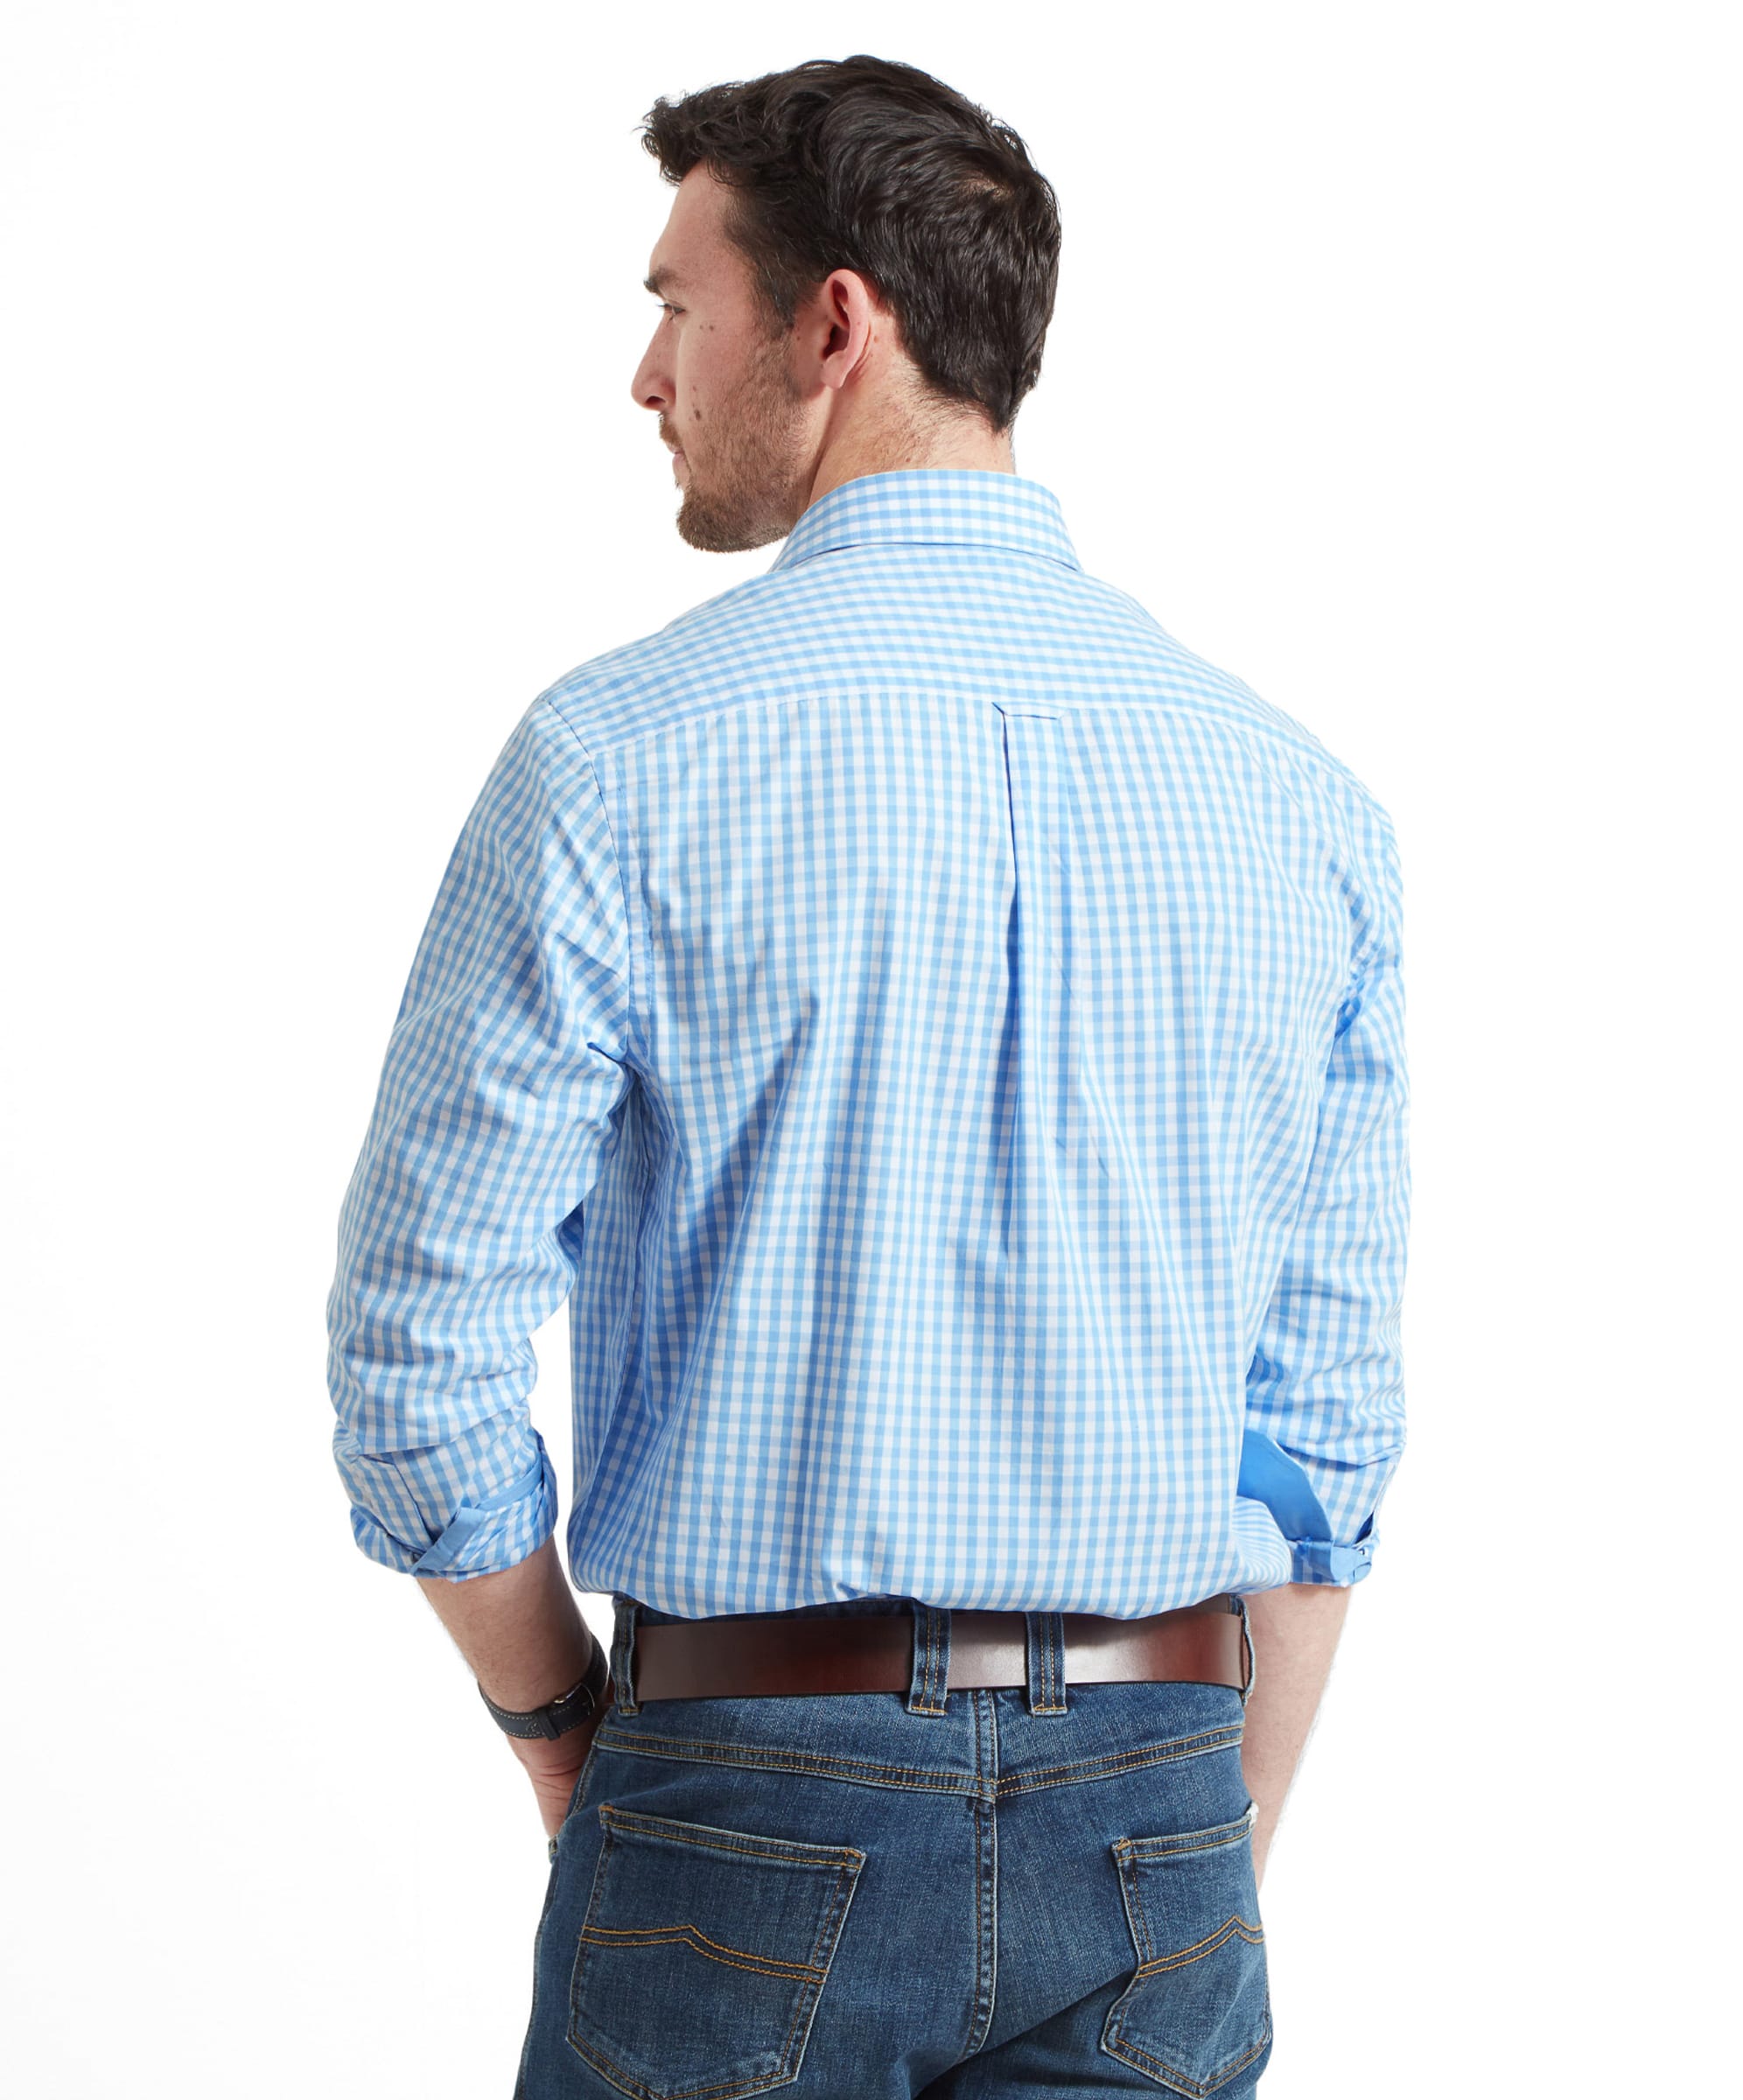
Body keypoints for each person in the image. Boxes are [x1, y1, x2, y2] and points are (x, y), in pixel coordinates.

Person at [325, 52, 1410, 2097]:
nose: (647, 375)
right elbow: (1321, 1437)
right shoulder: (1304, 809)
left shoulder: (622, 765)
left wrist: (566, 1732)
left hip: (741, 1780)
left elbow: (413, 1357)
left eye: (675, 301)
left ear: (837, 322)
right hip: (1164, 1793)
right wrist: (1206, 1850)